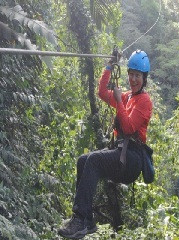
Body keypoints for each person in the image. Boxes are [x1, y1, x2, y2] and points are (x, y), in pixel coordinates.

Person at [58, 50, 153, 239]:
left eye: (137, 75)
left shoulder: (144, 101)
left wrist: (118, 101)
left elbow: (127, 128)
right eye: (131, 74)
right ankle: (87, 222)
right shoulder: (126, 97)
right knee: (83, 160)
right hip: (120, 152)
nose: (133, 79)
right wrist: (109, 66)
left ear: (144, 78)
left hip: (132, 159)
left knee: (93, 160)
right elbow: (101, 92)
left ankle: (79, 218)